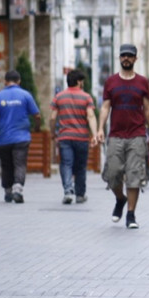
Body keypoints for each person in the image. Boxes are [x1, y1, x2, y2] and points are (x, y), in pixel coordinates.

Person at [93, 44, 149, 229]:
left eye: (130, 56)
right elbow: (105, 107)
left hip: (137, 134)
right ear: (119, 58)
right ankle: (120, 199)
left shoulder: (142, 82)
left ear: (135, 59)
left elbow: (148, 109)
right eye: (123, 56)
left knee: (134, 175)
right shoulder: (111, 82)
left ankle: (131, 214)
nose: (126, 58)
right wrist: (100, 129)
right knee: (113, 174)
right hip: (116, 135)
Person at [0, 70, 41, 204]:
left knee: (6, 165)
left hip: (4, 138)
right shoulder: (26, 95)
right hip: (22, 137)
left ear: (5, 81)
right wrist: (37, 127)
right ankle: (17, 189)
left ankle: (8, 190)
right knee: (20, 163)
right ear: (19, 81)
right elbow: (37, 115)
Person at [51, 70, 97, 205]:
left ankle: (68, 191)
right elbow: (91, 116)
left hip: (64, 137)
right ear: (78, 82)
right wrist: (94, 134)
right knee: (81, 166)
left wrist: (53, 132)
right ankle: (80, 195)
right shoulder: (86, 97)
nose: (82, 83)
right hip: (81, 137)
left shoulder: (59, 97)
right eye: (81, 81)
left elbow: (53, 117)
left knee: (66, 163)